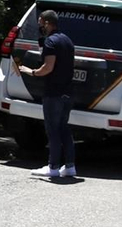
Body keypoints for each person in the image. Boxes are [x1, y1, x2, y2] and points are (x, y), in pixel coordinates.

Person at [16, 10, 77, 180]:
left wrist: (31, 72)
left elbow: (48, 67)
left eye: (41, 22)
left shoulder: (51, 42)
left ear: (47, 22)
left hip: (54, 93)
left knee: (53, 130)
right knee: (64, 128)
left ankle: (53, 167)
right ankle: (70, 166)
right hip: (68, 92)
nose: (40, 26)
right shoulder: (67, 40)